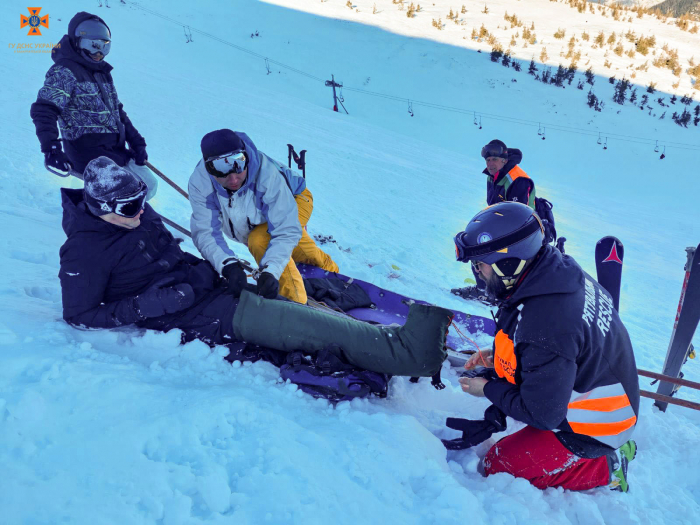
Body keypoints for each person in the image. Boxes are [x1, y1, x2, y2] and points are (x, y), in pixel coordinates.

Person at [58, 157, 449, 379]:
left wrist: (218, 267)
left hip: (204, 286)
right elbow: (78, 315)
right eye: (129, 207)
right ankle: (406, 351)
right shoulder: (82, 252)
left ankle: (385, 337)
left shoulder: (136, 216)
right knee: (299, 325)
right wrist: (149, 305)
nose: (141, 210)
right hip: (192, 313)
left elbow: (171, 253)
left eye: (142, 199)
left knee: (289, 302)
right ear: (101, 208)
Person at [451, 202, 640, 492]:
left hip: (602, 422)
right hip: (602, 389)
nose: (477, 272)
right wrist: (501, 357)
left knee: (498, 465)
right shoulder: (552, 271)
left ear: (509, 264)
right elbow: (546, 346)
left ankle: (608, 465)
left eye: (480, 264)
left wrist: (486, 388)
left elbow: (542, 414)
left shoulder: (548, 323)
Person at [188, 129, 339, 304]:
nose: (234, 178)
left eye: (239, 163)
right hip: (259, 217)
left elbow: (285, 229)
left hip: (297, 197)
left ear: (245, 156)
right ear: (209, 168)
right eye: (221, 169)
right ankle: (327, 266)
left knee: (260, 239)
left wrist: (271, 271)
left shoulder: (266, 175)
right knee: (269, 239)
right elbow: (205, 231)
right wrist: (227, 264)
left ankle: (295, 304)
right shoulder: (201, 183)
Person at [30, 11, 158, 199]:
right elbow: (44, 109)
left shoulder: (101, 72)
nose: (99, 53)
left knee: (150, 185)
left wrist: (137, 142)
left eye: (104, 47)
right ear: (77, 42)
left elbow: (117, 112)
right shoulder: (64, 71)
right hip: (88, 153)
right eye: (93, 46)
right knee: (130, 194)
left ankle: (116, 214)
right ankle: (107, 219)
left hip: (114, 149)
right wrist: (51, 148)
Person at [451, 140, 547, 305]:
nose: (490, 163)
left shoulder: (518, 180)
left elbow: (518, 214)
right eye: (488, 160)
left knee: (482, 248)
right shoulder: (494, 176)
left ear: (504, 160)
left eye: (494, 159)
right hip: (507, 225)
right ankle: (486, 289)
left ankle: (492, 292)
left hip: (523, 232)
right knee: (477, 242)